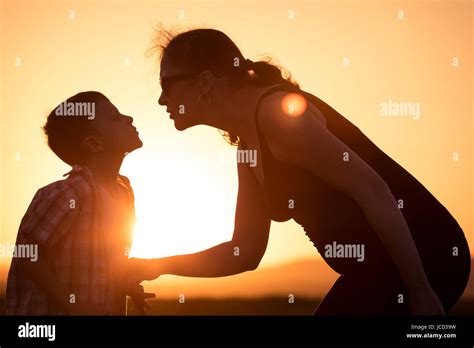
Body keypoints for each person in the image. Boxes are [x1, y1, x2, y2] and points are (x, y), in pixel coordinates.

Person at [137, 28, 470, 315]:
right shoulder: (247, 150)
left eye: (167, 84)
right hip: (374, 271)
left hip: (425, 258)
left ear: (205, 81)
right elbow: (244, 252)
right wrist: (157, 266)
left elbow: (374, 190)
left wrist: (420, 288)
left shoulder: (278, 117)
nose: (161, 99)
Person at [6, 91, 153, 315]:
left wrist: (127, 286)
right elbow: (28, 253)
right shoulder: (72, 191)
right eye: (115, 117)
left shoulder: (124, 194)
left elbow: (110, 264)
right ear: (94, 143)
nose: (129, 118)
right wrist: (73, 305)